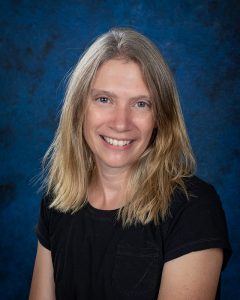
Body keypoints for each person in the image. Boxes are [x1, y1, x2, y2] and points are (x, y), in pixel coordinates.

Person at [29, 28, 231, 300]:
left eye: (141, 104)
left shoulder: (193, 207)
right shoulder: (57, 200)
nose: (120, 123)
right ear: (79, 109)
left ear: (161, 116)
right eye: (104, 99)